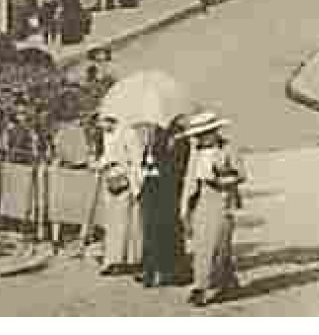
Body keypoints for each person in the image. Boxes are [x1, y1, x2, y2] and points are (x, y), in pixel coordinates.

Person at [179, 111, 244, 307]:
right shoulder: (196, 152)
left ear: (215, 132)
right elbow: (190, 180)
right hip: (200, 201)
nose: (201, 138)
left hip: (220, 199)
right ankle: (220, 282)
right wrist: (185, 207)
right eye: (198, 135)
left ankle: (205, 287)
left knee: (217, 244)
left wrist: (218, 179)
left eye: (205, 133)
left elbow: (240, 175)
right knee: (202, 245)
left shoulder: (228, 149)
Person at [136, 123, 183, 288]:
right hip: (151, 190)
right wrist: (147, 166)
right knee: (150, 230)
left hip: (167, 192)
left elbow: (177, 168)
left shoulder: (179, 140)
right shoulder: (153, 141)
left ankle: (168, 271)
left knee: (166, 230)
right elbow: (146, 163)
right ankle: (150, 270)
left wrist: (157, 169)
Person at [97, 115, 142, 275]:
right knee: (111, 222)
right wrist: (101, 163)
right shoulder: (106, 135)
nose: (101, 125)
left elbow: (136, 159)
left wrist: (137, 185)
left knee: (125, 222)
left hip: (125, 179)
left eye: (102, 121)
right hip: (110, 178)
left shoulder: (128, 133)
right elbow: (107, 155)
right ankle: (112, 259)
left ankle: (125, 260)